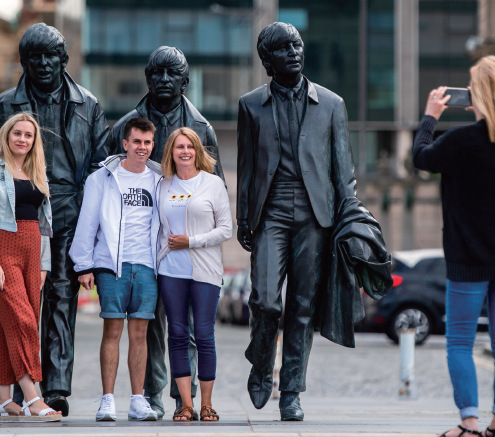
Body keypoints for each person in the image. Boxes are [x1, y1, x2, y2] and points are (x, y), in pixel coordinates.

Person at [0, 23, 111, 416]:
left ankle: (54, 388)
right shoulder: (2, 106)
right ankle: (19, 392)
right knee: (18, 309)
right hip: (16, 217)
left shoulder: (88, 105)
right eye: (34, 56)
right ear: (23, 61)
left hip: (69, 211)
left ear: (63, 59)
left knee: (61, 299)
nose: (42, 63)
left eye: (50, 56)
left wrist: (93, 227)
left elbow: (99, 169)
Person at [236, 22, 357, 421]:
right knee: (266, 301)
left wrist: (350, 218)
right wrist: (243, 218)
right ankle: (260, 361)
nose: (294, 52)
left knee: (302, 309)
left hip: (315, 218)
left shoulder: (333, 105)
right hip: (270, 214)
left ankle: (291, 392)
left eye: (298, 45)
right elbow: (248, 167)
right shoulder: (251, 105)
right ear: (268, 60)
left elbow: (344, 172)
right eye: (284, 48)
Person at [412, 56, 495, 437]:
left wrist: (432, 114)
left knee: (460, 343)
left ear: (477, 94)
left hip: (468, 259)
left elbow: (419, 156)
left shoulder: (460, 141)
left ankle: (468, 424)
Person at [110, 46, 225, 419]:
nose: (163, 80)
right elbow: (104, 183)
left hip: (191, 253)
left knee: (191, 328)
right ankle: (153, 394)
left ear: (185, 82)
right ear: (147, 78)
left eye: (171, 74)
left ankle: (187, 399)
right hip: (142, 245)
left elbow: (215, 189)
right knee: (153, 325)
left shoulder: (202, 128)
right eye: (156, 73)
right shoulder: (124, 127)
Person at [0, 113, 60, 422]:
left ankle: (2, 400)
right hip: (2, 250)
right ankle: (33, 396)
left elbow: (44, 223)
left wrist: (44, 263)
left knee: (12, 322)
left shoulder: (36, 172)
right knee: (23, 321)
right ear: (6, 136)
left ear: (34, 141)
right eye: (17, 133)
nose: (22, 139)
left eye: (28, 135)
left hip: (33, 252)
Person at [69, 117, 162, 422]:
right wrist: (84, 265)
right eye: (137, 142)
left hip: (147, 266)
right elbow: (88, 222)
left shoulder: (159, 179)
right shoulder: (102, 178)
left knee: (140, 333)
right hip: (112, 265)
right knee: (112, 330)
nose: (142, 148)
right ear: (125, 144)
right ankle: (107, 399)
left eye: (148, 142)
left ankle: (137, 400)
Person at [156, 128, 231, 421]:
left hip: (205, 271)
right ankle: (185, 405)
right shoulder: (162, 185)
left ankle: (207, 404)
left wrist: (192, 241)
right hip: (170, 271)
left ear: (197, 151)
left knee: (203, 335)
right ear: (171, 153)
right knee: (176, 334)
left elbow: (226, 229)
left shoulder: (213, 184)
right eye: (179, 147)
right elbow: (156, 228)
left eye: (189, 146)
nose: (184, 151)